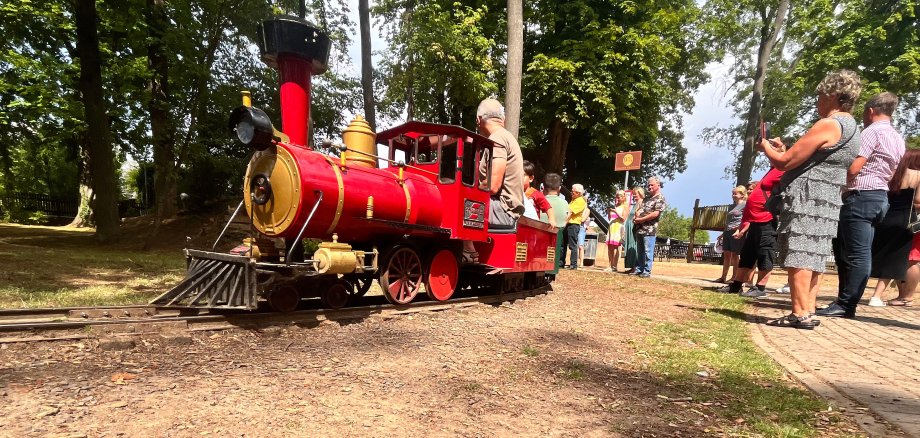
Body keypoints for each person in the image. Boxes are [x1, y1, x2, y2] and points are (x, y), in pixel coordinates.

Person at [758, 69, 863, 329]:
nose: (817, 101)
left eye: (820, 95)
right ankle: (808, 309)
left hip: (807, 195)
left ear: (835, 95)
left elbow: (784, 163)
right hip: (827, 198)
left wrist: (765, 147)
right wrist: (783, 151)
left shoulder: (829, 123)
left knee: (798, 252)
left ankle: (798, 313)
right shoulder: (854, 128)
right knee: (814, 254)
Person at [818, 92, 906, 318]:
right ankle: (843, 301)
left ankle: (847, 304)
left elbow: (854, 168)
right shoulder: (897, 138)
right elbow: (894, 172)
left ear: (870, 111)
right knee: (855, 251)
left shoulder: (869, 133)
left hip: (860, 195)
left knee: (855, 254)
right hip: (879, 197)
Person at [463, 98, 525, 263]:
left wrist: (467, 191)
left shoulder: (497, 139)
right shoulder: (504, 136)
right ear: (502, 119)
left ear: (478, 120)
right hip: (502, 208)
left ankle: (468, 252)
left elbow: (493, 186)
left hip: (503, 210)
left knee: (456, 206)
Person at [867, 148, 920, 306]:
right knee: (911, 259)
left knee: (896, 258)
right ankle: (905, 296)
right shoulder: (917, 176)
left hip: (886, 219)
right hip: (909, 221)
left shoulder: (894, 175)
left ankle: (901, 295)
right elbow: (917, 202)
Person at [722, 167, 785, 298]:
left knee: (765, 253)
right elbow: (747, 216)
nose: (750, 190)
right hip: (755, 223)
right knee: (747, 254)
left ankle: (761, 288)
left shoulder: (783, 168)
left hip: (767, 221)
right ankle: (736, 285)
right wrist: (742, 229)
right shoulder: (771, 170)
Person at [633, 177, 666, 278]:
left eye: (652, 185)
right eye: (648, 185)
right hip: (640, 229)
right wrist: (636, 215)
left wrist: (642, 219)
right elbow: (639, 209)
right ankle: (639, 269)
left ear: (658, 185)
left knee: (648, 251)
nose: (649, 187)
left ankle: (647, 271)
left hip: (649, 229)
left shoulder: (660, 198)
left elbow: (655, 214)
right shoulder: (646, 198)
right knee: (640, 251)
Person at [716, 186, 748, 283]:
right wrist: (722, 234)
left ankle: (734, 277)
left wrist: (739, 230)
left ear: (742, 195)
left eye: (735, 193)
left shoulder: (745, 205)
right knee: (726, 255)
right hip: (727, 232)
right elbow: (729, 221)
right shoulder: (732, 206)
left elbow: (745, 219)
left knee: (735, 255)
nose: (733, 195)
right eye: (733, 193)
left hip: (736, 232)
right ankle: (723, 277)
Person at [543, 173, 569, 271]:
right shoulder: (564, 203)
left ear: (544, 187)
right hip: (557, 238)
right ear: (559, 188)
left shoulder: (539, 200)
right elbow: (565, 221)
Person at [562, 184, 587, 270]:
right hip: (568, 224)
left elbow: (570, 212)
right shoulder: (573, 200)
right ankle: (561, 263)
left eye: (573, 191)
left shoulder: (580, 201)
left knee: (572, 245)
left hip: (573, 225)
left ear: (578, 193)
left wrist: (564, 223)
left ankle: (573, 264)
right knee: (563, 244)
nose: (571, 193)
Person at [605, 190, 629, 272]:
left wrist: (616, 212)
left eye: (619, 197)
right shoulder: (615, 206)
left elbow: (623, 219)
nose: (617, 199)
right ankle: (610, 265)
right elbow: (610, 218)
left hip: (618, 227)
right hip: (611, 226)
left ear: (623, 197)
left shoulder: (625, 207)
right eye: (617, 197)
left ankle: (614, 266)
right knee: (610, 247)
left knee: (616, 247)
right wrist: (609, 212)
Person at [622, 187, 645, 274]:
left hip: (634, 227)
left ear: (640, 193)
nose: (634, 195)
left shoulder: (642, 203)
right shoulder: (636, 203)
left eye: (636, 194)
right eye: (634, 194)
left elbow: (639, 215)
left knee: (634, 246)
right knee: (629, 246)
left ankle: (636, 267)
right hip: (629, 227)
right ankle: (632, 267)